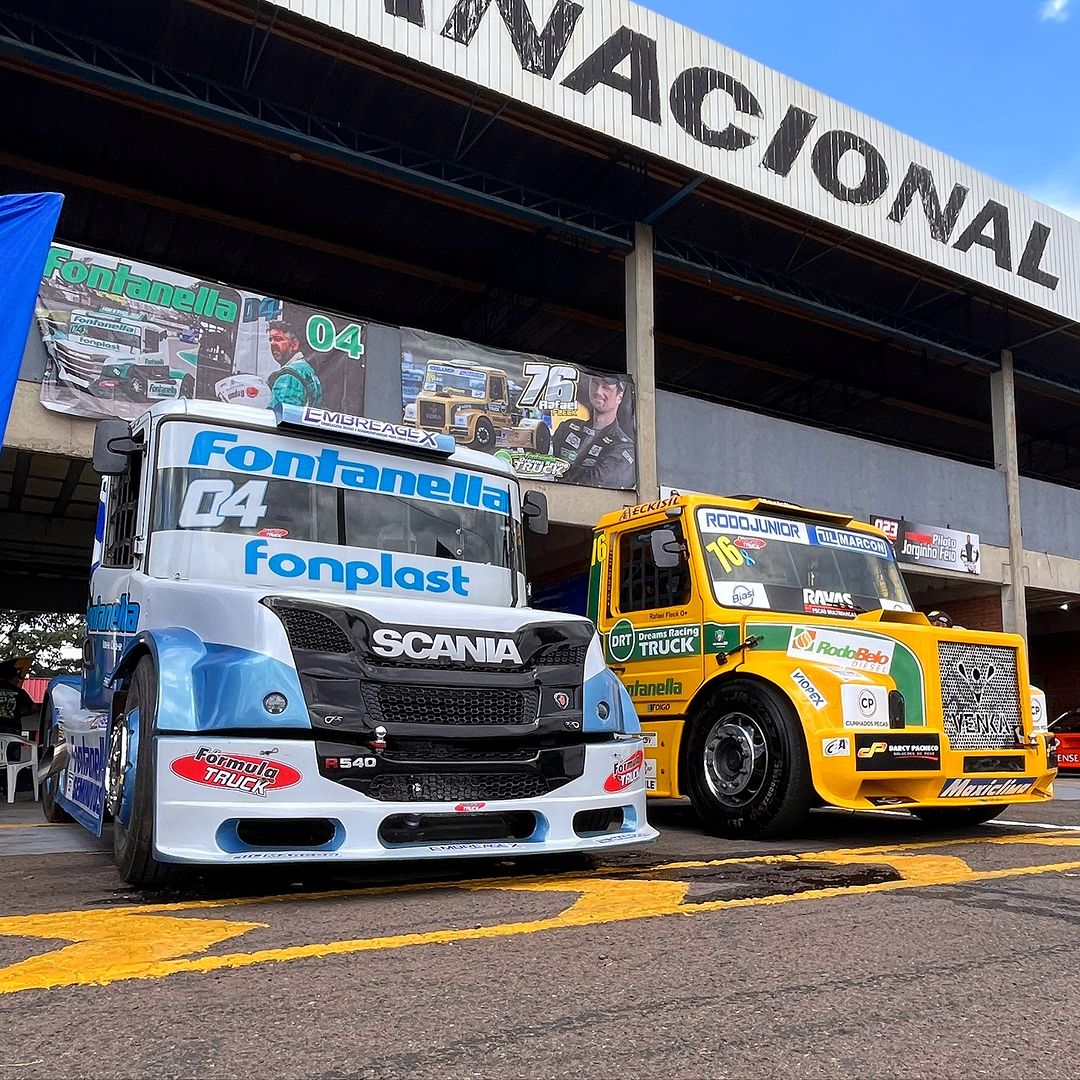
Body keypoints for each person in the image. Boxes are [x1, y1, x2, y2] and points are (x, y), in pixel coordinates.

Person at [551, 374, 635, 488]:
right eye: (595, 383)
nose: (598, 391)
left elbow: (595, 483)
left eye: (606, 387)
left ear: (619, 397)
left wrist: (558, 470)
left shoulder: (624, 447)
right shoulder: (567, 427)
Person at [266, 319, 324, 408]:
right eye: (270, 339)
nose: (272, 343)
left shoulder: (289, 376)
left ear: (294, 344)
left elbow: (280, 414)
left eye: (278, 339)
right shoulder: (305, 369)